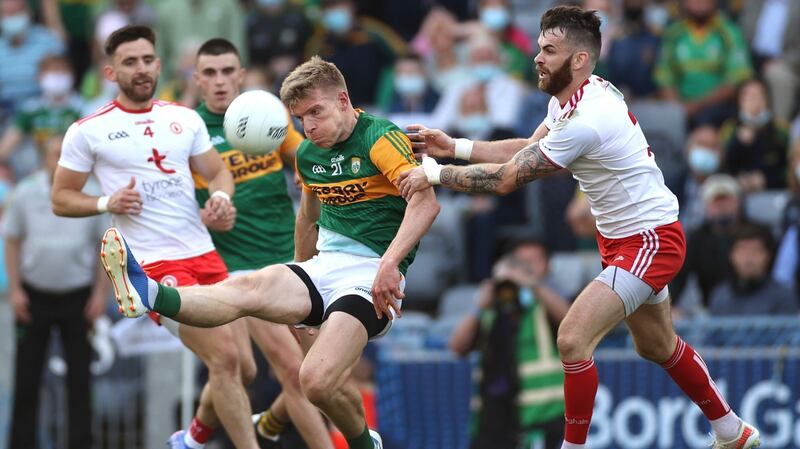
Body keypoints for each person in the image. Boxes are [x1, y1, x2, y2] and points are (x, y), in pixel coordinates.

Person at [397, 6, 760, 449]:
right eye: (538, 47)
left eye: (549, 50)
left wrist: (435, 173)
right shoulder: (574, 97)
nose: (537, 57)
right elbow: (529, 149)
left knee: (571, 338)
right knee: (656, 345)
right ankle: (731, 431)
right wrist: (456, 145)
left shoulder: (588, 119)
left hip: (650, 241)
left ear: (579, 60)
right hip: (626, 239)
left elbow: (508, 178)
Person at [102, 55, 440, 449]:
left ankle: (365, 443)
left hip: (370, 274)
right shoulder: (309, 155)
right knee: (248, 287)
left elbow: (426, 203)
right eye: (300, 119)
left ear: (343, 100)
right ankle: (152, 295)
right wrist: (303, 290)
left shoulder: (379, 138)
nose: (309, 127)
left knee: (313, 380)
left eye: (316, 112)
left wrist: (390, 264)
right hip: (324, 266)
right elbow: (306, 221)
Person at [49, 25, 264, 449]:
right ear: (111, 72)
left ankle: (192, 440)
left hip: (205, 253)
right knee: (224, 358)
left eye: (147, 60)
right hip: (152, 265)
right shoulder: (88, 130)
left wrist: (220, 197)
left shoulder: (182, 118)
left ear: (159, 64)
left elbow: (218, 172)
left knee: (246, 370)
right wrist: (106, 201)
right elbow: (60, 198)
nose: (141, 69)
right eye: (130, 62)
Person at [192, 37, 332, 449]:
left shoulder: (264, 112)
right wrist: (210, 215)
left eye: (227, 71)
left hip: (292, 257)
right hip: (238, 264)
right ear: (197, 79)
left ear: (241, 74)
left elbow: (307, 155)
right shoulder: (190, 131)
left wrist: (308, 172)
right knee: (292, 370)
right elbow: (182, 208)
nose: (220, 81)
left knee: (323, 368)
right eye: (210, 73)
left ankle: (245, 425)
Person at [4, 133, 107, 449]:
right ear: (44, 158)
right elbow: (11, 240)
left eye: (66, 153)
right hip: (34, 297)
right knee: (27, 380)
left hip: (78, 298)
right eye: (55, 154)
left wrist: (100, 295)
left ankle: (81, 443)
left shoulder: (91, 195)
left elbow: (105, 247)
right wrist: (15, 290)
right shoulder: (25, 194)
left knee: (79, 380)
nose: (61, 160)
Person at [450, 239, 569, 449]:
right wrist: (480, 306)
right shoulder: (492, 304)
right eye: (519, 262)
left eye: (533, 261)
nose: (525, 267)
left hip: (542, 416)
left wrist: (534, 285)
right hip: (494, 418)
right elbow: (457, 347)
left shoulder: (548, 301)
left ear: (548, 266)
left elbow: (572, 324)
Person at [709, 224, 797, 316]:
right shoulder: (720, 296)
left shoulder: (783, 296)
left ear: (768, 256)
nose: (748, 258)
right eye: (743, 250)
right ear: (731, 256)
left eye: (755, 250)